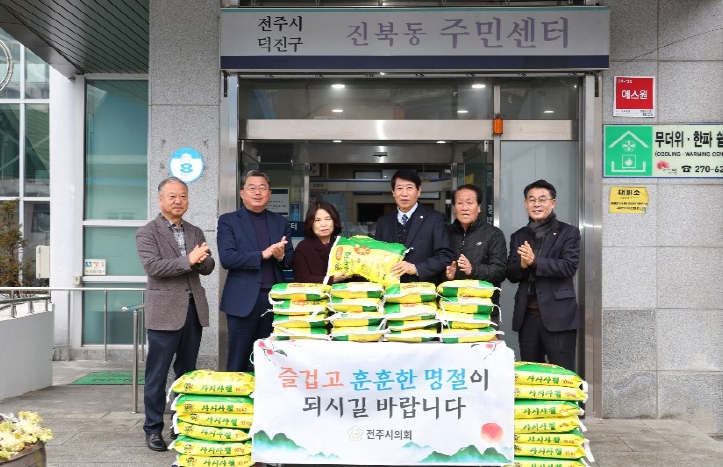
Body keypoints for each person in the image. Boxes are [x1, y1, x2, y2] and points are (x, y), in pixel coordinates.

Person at [135, 176, 215, 452]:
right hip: (164, 312)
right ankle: (153, 429)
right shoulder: (147, 232)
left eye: (183, 196)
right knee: (157, 374)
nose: (178, 201)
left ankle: (181, 424)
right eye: (172, 196)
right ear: (160, 200)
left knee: (186, 372)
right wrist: (189, 260)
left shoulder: (195, 231)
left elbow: (208, 267)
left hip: (193, 309)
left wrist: (202, 261)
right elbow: (154, 267)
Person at [217, 169, 294, 372]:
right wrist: (262, 254)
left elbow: (290, 260)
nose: (258, 192)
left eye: (262, 188)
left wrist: (281, 256)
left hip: (274, 302)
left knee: (273, 361)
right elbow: (227, 258)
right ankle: (237, 393)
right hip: (242, 302)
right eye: (252, 188)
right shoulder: (228, 220)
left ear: (269, 193)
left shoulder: (280, 222)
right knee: (239, 361)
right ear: (242, 193)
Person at [506, 179, 581, 372]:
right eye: (531, 200)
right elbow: (511, 274)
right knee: (532, 374)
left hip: (559, 317)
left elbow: (569, 267)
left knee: (562, 374)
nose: (536, 204)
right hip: (527, 318)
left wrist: (535, 261)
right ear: (525, 203)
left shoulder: (568, 232)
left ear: (553, 203)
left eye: (542, 199)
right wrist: (522, 266)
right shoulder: (519, 235)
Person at [374, 168, 454, 285]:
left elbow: (446, 256)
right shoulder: (383, 222)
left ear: (418, 191)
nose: (404, 193)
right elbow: (377, 256)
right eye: (399, 188)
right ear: (393, 192)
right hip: (391, 289)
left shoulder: (435, 219)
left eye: (409, 188)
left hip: (423, 290)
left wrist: (416, 268)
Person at [445, 184, 507, 326]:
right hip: (451, 309)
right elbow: (435, 268)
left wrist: (472, 269)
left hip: (483, 310)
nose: (464, 208)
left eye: (469, 203)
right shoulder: (445, 233)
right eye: (460, 203)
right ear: (454, 208)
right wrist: (447, 275)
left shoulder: (493, 234)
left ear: (479, 207)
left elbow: (500, 271)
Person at [292, 201, 351, 284]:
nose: (323, 224)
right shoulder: (303, 247)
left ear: (334, 221)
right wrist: (332, 279)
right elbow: (302, 278)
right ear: (310, 223)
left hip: (341, 291)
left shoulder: (343, 245)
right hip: (314, 292)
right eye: (317, 220)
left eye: (328, 219)